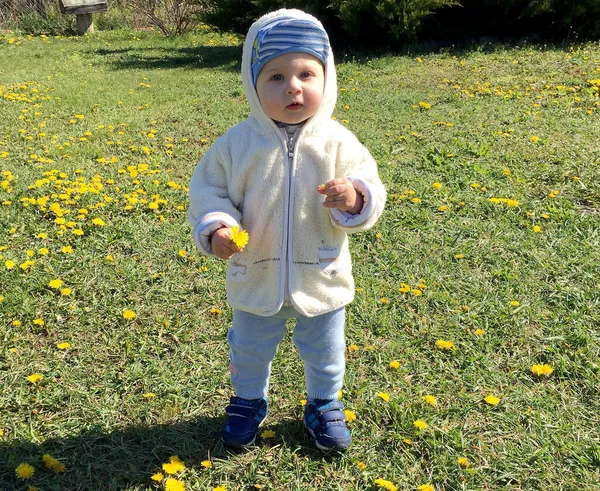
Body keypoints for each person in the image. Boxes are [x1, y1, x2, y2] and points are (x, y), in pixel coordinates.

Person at [188, 8, 386, 452]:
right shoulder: (237, 145)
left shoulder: (339, 142)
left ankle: (323, 402)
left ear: (326, 79)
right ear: (253, 85)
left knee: (326, 350)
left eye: (305, 74)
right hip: (255, 270)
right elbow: (208, 191)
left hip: (322, 272)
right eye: (275, 77)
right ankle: (247, 401)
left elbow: (370, 185)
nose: (292, 87)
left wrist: (355, 198)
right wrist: (217, 226)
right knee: (250, 347)